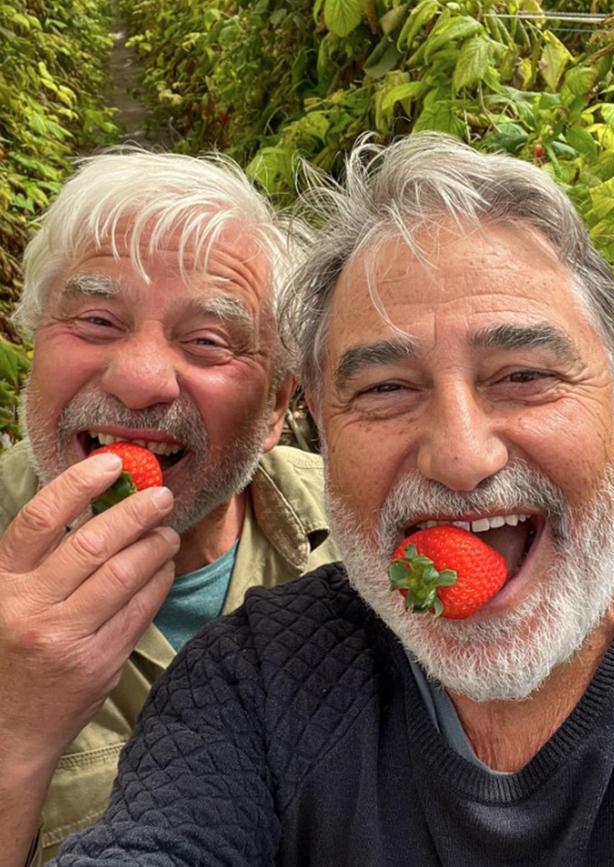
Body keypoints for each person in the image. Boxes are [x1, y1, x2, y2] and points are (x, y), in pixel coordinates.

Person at [52, 133, 614, 866]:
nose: (461, 458)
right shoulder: (252, 681)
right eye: (386, 388)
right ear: (321, 431)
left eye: (524, 374)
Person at [0, 150, 338, 867]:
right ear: (32, 346)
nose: (140, 381)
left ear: (278, 404)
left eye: (207, 341)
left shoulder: (368, 546)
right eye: (95, 321)